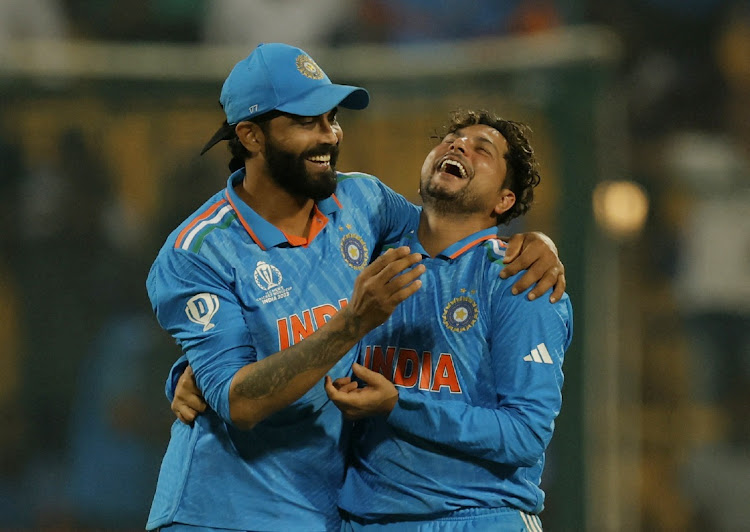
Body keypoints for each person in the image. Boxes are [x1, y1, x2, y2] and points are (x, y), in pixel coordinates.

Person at [149, 42, 566, 532]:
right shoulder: (198, 250)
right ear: (251, 136)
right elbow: (239, 400)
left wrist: (537, 242)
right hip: (221, 512)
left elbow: (452, 234)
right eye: (307, 122)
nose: (329, 136)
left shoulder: (362, 202)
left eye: (332, 117)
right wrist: (350, 325)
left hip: (325, 514)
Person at [326, 109, 573, 531]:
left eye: (484, 150)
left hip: (476, 517)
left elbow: (525, 434)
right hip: (366, 520)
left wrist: (398, 405)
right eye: (452, 139)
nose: (459, 146)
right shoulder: (365, 260)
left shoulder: (520, 279)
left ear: (504, 200)